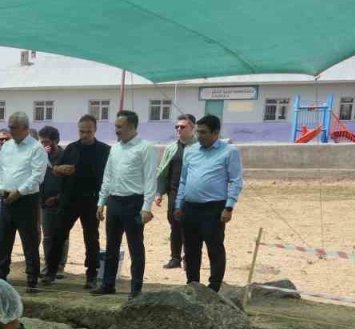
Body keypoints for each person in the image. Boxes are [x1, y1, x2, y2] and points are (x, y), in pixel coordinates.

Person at [176, 114, 244, 293]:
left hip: (214, 209)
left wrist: (229, 207)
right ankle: (193, 284)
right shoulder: (190, 151)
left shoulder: (229, 152)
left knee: (214, 248)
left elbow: (235, 181)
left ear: (215, 133)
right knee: (190, 249)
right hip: (190, 207)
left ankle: (214, 287)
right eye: (198, 131)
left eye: (204, 132)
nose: (199, 136)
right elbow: (183, 180)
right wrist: (178, 204)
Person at [95, 110, 158, 298]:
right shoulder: (115, 148)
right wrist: (101, 201)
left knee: (135, 246)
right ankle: (108, 284)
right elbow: (108, 176)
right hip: (114, 201)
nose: (116, 130)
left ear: (131, 127)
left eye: (119, 127)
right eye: (116, 126)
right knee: (111, 245)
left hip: (134, 202)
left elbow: (150, 179)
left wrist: (147, 207)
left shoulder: (145, 148)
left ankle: (135, 288)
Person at [53, 115, 111, 289]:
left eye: (88, 131)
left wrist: (103, 201)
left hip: (92, 199)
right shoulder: (71, 148)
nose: (84, 135)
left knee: (91, 238)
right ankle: (51, 270)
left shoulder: (104, 150)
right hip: (69, 199)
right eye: (81, 131)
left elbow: (109, 177)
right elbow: (55, 170)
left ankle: (91, 276)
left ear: (95, 131)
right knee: (58, 236)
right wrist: (59, 169)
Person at [0, 112, 47, 293]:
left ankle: (32, 279)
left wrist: (20, 191)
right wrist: (0, 188)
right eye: (9, 126)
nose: (10, 131)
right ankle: (1, 275)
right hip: (6, 197)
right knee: (4, 240)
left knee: (29, 241)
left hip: (26, 200)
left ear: (24, 128)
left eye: (13, 127)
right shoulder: (7, 147)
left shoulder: (36, 148)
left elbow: (37, 175)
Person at [156, 114, 198, 270]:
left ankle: (189, 258)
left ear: (193, 128)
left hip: (192, 194)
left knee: (190, 228)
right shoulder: (171, 148)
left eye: (183, 126)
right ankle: (175, 258)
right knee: (175, 225)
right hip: (173, 193)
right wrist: (159, 193)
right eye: (177, 127)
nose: (179, 129)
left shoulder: (199, 148)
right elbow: (162, 171)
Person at [37, 126, 65, 283]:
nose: (44, 146)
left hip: (61, 202)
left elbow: (70, 182)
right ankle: (49, 266)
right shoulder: (39, 156)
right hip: (44, 202)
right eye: (42, 142)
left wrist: (58, 198)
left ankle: (59, 266)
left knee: (61, 235)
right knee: (47, 237)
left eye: (47, 142)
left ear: (56, 140)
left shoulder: (65, 156)